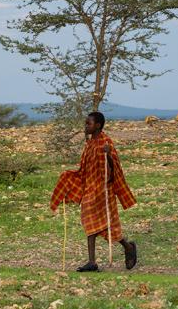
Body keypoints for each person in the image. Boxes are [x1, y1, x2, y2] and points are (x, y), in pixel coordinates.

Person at [50, 111, 137, 272]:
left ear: (97, 125)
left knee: (108, 225)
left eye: (88, 123)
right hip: (91, 189)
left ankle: (128, 247)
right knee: (89, 221)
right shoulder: (90, 143)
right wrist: (70, 177)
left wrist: (108, 155)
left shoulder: (106, 142)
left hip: (104, 190)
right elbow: (84, 168)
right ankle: (92, 262)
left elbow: (115, 168)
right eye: (85, 123)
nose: (85, 126)